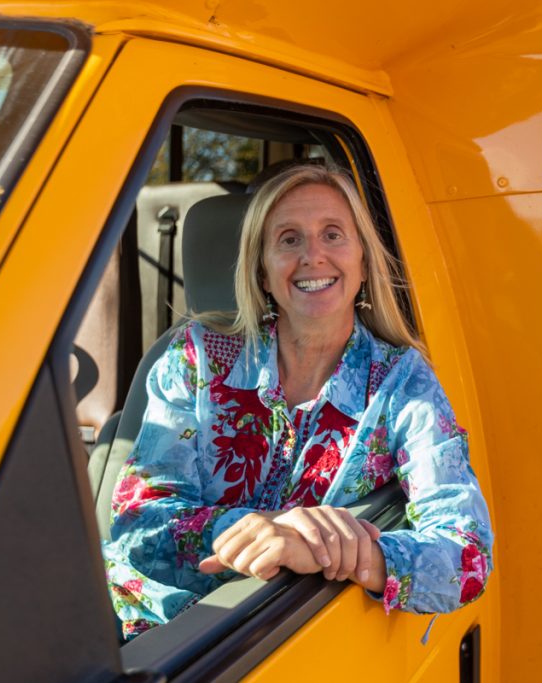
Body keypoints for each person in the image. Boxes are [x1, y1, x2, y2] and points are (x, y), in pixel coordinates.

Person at [103, 165, 493, 640]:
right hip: (147, 637)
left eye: (333, 234)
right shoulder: (196, 358)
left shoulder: (403, 383)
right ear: (262, 272)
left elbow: (466, 556)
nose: (313, 256)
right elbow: (138, 526)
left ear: (365, 263)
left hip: (277, 648)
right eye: (288, 239)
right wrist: (266, 529)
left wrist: (343, 553)